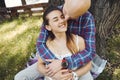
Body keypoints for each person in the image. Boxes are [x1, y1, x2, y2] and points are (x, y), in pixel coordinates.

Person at [14, 0, 96, 80]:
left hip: (77, 59)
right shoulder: (53, 13)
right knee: (19, 77)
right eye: (64, 14)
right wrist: (54, 71)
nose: (65, 19)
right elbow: (40, 44)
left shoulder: (87, 20)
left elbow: (90, 52)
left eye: (72, 17)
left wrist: (65, 65)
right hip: (51, 58)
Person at [37, 5, 93, 80]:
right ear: (48, 27)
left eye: (62, 17)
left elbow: (89, 64)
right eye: (56, 20)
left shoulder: (78, 41)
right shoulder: (47, 44)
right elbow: (40, 64)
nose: (62, 21)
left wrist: (72, 75)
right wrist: (52, 75)